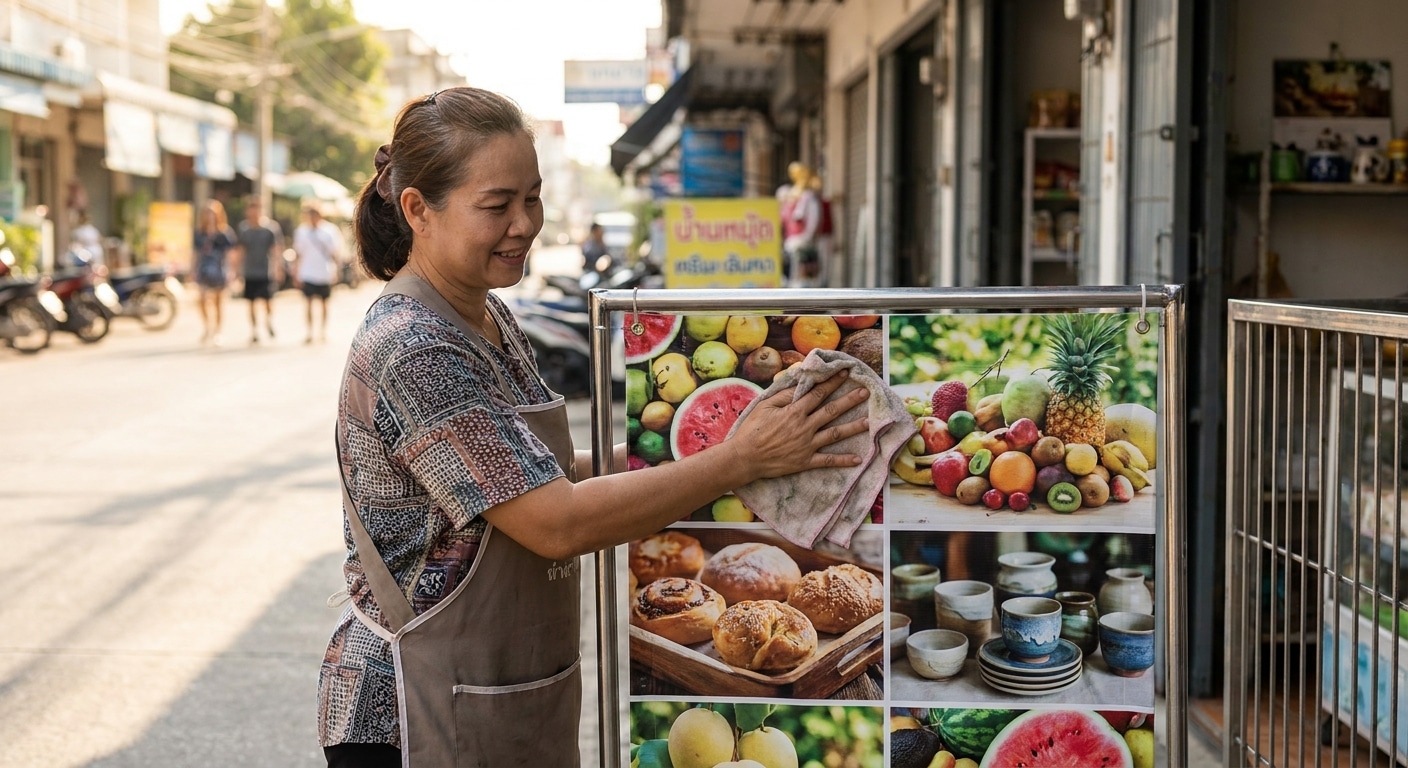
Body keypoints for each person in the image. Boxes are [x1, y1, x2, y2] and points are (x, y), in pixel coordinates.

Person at [321, 86, 869, 768]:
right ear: (417, 210)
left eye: (533, 197)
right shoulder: (415, 347)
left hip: (503, 691)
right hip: (414, 715)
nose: (525, 224)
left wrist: (676, 451)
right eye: (497, 206)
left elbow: (529, 475)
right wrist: (737, 462)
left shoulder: (487, 315)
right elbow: (556, 522)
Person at [232, 197, 285, 344]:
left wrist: (277, 268)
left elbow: (275, 250)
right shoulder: (244, 228)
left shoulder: (270, 228)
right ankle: (254, 330)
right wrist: (236, 270)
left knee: (268, 301)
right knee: (251, 303)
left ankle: (268, 321)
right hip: (250, 270)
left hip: (265, 270)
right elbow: (240, 250)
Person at [292, 204, 342, 343]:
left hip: (324, 271)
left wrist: (336, 270)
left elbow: (335, 253)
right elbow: (298, 253)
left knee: (324, 303)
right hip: (307, 272)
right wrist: (295, 271)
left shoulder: (330, 231)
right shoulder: (301, 231)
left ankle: (323, 330)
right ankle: (309, 331)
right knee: (308, 302)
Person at [193, 199, 236, 346]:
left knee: (218, 302)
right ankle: (207, 327)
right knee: (202, 300)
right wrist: (192, 269)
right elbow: (195, 253)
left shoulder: (224, 233)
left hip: (219, 269)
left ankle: (218, 331)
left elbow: (231, 254)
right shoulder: (199, 233)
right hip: (204, 269)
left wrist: (232, 272)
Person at [777, 161, 823, 287]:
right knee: (790, 275)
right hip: (790, 242)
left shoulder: (808, 197)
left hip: (802, 242)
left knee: (804, 276)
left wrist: (806, 237)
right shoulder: (791, 195)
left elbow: (812, 219)